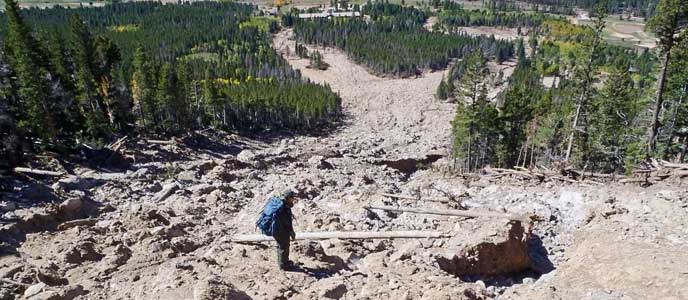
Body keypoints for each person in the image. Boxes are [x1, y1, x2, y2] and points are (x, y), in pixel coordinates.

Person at [273, 189, 297, 270]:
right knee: (284, 247)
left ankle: (284, 262)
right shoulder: (284, 207)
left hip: (278, 230)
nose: (293, 199)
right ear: (288, 197)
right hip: (281, 230)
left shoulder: (283, 204)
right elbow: (287, 222)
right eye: (292, 197)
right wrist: (291, 232)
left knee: (281, 246)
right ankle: (283, 265)